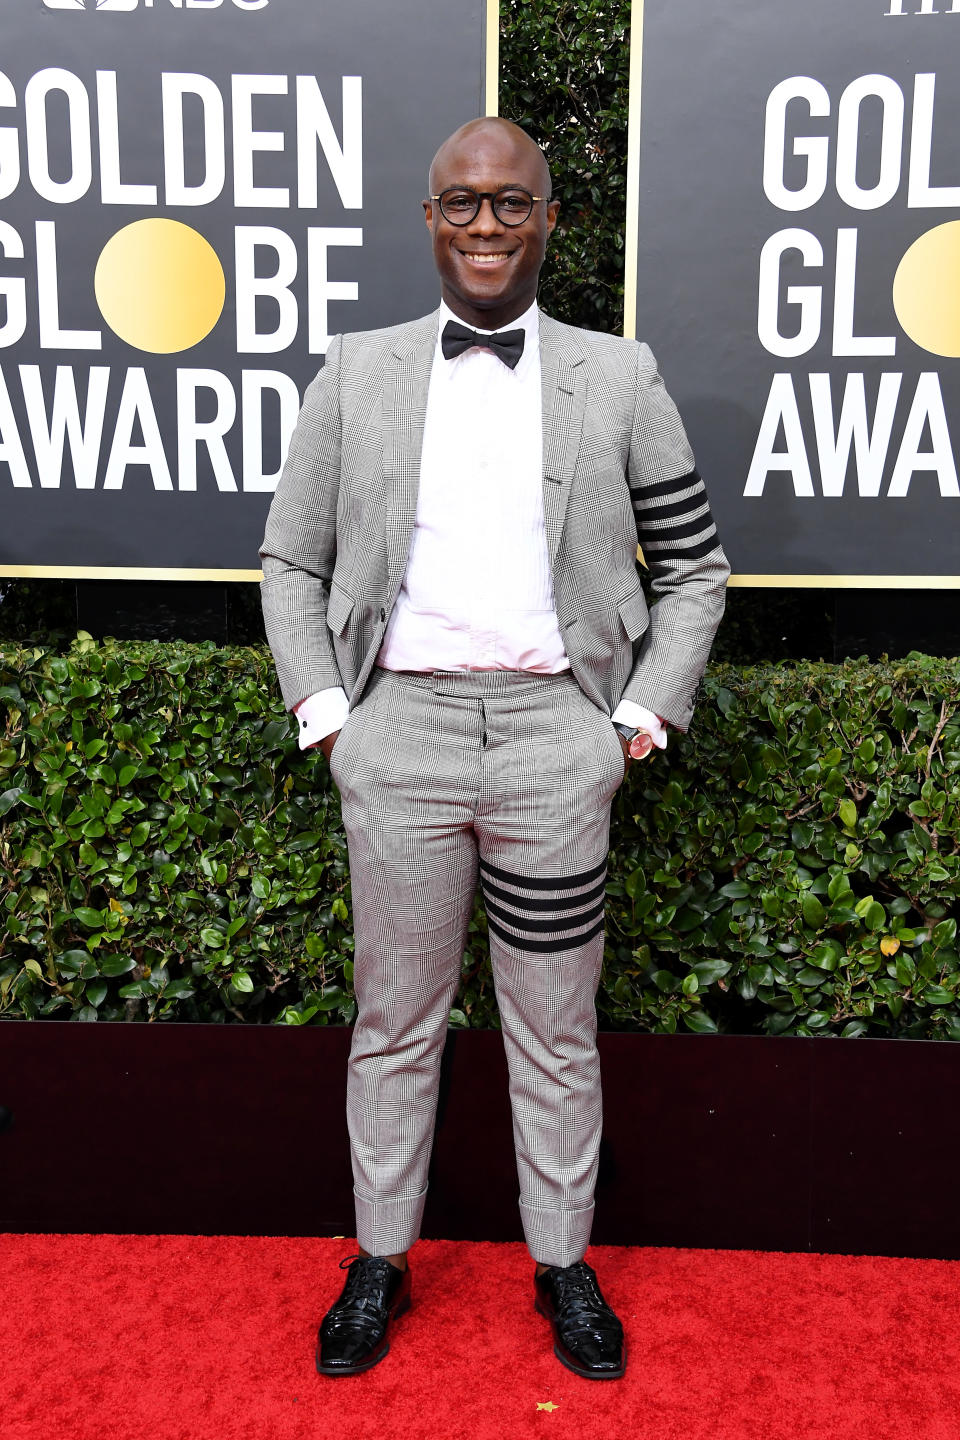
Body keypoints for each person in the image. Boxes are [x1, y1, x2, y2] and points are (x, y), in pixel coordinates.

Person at [259, 116, 729, 1382]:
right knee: (394, 1021)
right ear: (428, 219)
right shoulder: (356, 372)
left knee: (554, 1027)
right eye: (461, 203)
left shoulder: (617, 377)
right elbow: (291, 561)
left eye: (509, 203)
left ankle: (565, 1265)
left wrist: (635, 718)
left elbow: (694, 569)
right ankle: (378, 1259)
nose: (484, 224)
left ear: (549, 219)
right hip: (397, 733)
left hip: (551, 747)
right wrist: (328, 719)